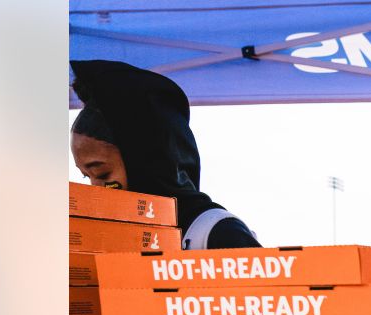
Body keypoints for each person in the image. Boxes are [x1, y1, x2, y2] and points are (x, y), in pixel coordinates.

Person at [69, 60, 260, 250]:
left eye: (102, 174)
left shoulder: (219, 233)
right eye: (87, 176)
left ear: (145, 161)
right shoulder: (113, 238)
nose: (94, 189)